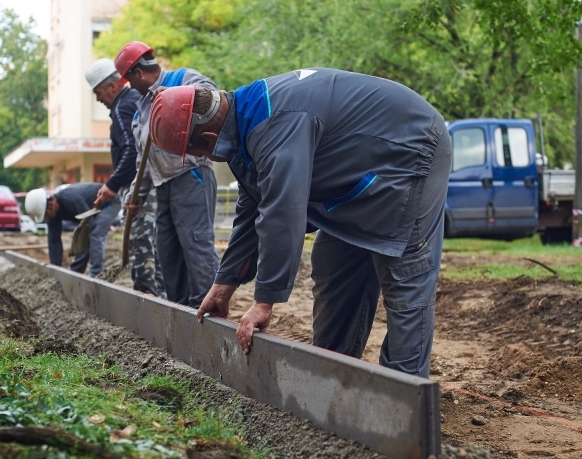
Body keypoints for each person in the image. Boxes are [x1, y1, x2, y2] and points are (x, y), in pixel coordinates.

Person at [148, 68, 452, 378]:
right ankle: (332, 379)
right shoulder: (244, 116)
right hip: (355, 179)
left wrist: (264, 302)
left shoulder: (273, 124)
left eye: (200, 153)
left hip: (411, 149)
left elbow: (283, 213)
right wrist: (224, 285)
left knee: (403, 277)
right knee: (334, 269)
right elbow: (254, 204)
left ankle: (406, 395)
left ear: (210, 139)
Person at [113, 41, 219, 307]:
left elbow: (215, 97)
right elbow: (144, 159)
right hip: (163, 185)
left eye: (129, 80)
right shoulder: (140, 111)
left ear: (138, 73)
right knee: (167, 251)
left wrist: (176, 94)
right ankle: (180, 308)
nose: (128, 86)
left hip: (190, 175)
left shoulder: (182, 78)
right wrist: (136, 194)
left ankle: (206, 310)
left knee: (195, 244)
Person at [85, 58, 163, 295]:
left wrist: (112, 184)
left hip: (143, 192)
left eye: (98, 92)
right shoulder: (133, 102)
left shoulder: (122, 107)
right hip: (149, 187)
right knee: (155, 252)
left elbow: (132, 150)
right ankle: (166, 302)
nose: (98, 99)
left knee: (143, 254)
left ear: (111, 86)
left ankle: (152, 308)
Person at [25, 184, 121, 277]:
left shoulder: (71, 199)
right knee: (84, 237)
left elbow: (88, 225)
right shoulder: (52, 214)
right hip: (92, 209)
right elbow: (54, 241)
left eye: (45, 215)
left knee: (95, 233)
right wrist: (55, 270)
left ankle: (96, 274)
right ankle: (74, 273)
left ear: (51, 205)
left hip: (109, 202)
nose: (46, 218)